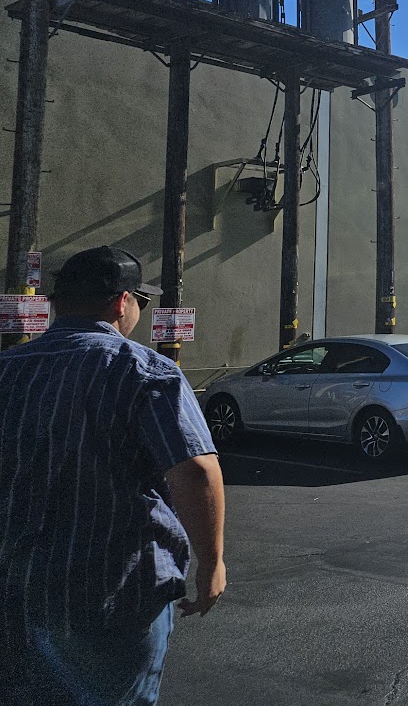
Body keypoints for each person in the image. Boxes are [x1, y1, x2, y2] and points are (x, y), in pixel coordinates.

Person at [0, 246, 226, 706]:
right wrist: (212, 562)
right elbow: (197, 471)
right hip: (116, 597)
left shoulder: (8, 370)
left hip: (17, 596)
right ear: (123, 301)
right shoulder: (145, 370)